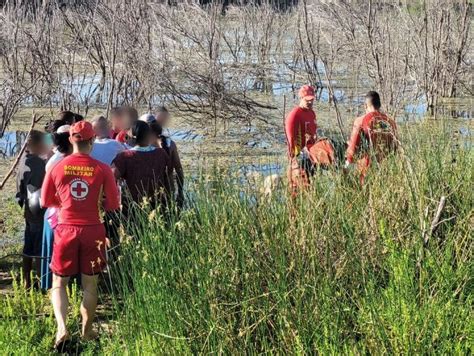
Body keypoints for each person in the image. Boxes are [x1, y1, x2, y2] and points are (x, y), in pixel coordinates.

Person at [41, 121, 119, 349]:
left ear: (72, 140)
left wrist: (66, 204)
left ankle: (62, 329)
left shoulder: (57, 166)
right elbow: (113, 204)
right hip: (93, 229)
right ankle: (86, 331)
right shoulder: (102, 168)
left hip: (65, 228)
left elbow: (46, 201)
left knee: (59, 282)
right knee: (90, 284)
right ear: (92, 141)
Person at [112, 121, 171, 218]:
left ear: (131, 137)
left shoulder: (125, 156)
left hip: (132, 208)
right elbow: (168, 175)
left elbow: (111, 177)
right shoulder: (161, 153)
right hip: (158, 205)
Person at [41, 125, 73, 290]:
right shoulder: (60, 161)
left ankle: (55, 286)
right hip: (60, 214)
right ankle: (60, 287)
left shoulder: (55, 158)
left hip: (54, 212)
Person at [16, 130, 48, 289]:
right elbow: (39, 189)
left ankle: (26, 280)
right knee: (38, 246)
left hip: (28, 209)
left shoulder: (24, 160)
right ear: (37, 144)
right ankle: (40, 280)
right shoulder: (37, 164)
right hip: (37, 210)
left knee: (28, 245)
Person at [344, 91, 398, 184]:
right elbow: (395, 147)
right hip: (385, 169)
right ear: (379, 105)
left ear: (365, 106)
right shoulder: (390, 122)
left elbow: (352, 149)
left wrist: (347, 165)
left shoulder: (361, 120)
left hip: (366, 168)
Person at [284, 85, 317, 193]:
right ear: (301, 98)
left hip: (311, 157)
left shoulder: (312, 114)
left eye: (312, 99)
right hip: (298, 158)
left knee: (311, 189)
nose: (310, 102)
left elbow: (313, 134)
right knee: (298, 192)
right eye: (307, 100)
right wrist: (293, 161)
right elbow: (290, 140)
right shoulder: (294, 115)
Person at [154, 107, 185, 208]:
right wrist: (180, 192)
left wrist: (180, 191)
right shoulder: (170, 143)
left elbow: (178, 169)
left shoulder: (169, 144)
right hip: (163, 193)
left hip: (164, 192)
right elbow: (179, 169)